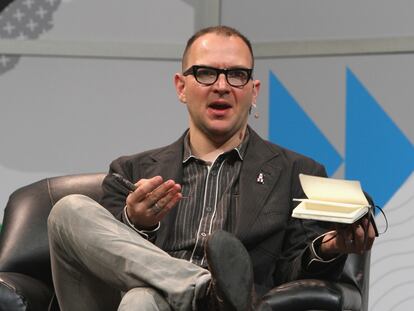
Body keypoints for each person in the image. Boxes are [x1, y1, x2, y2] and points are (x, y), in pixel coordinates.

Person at [47, 25, 376, 311]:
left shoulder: (296, 172)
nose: (221, 85)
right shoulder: (130, 171)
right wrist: (137, 224)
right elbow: (103, 260)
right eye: (206, 72)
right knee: (68, 210)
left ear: (253, 90)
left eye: (236, 74)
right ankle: (203, 290)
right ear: (181, 87)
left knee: (142, 300)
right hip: (134, 302)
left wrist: (327, 248)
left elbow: (293, 277)